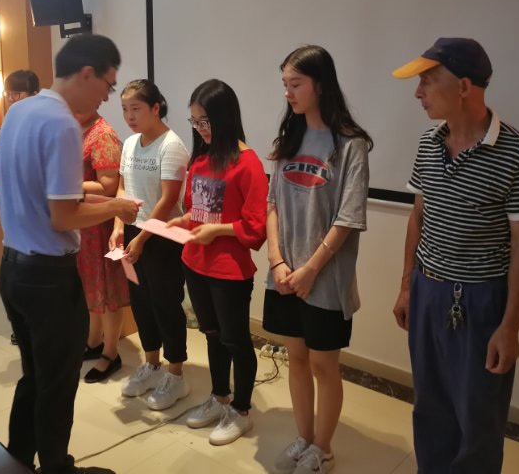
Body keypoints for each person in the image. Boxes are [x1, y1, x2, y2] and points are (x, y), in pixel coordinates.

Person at [391, 38, 519, 474]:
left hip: (480, 302)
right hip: (427, 289)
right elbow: (419, 217)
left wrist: (510, 326)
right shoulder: (428, 143)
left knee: (477, 416)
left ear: (463, 86)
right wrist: (407, 287)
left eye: (427, 81)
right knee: (430, 407)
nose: (418, 92)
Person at [0, 34, 139, 474]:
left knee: (35, 376)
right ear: (87, 74)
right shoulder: (61, 124)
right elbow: (63, 215)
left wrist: (101, 201)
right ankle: (57, 468)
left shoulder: (19, 111)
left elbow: (50, 195)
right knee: (57, 385)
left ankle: (19, 460)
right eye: (108, 85)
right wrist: (116, 207)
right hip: (48, 279)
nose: (107, 97)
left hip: (13, 268)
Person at [263, 46, 372, 474]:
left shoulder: (350, 145)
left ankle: (323, 449)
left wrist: (310, 270)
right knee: (296, 358)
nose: (287, 93)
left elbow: (348, 217)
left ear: (321, 85)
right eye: (284, 85)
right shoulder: (288, 140)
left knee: (324, 365)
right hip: (285, 274)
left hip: (324, 278)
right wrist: (277, 261)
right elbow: (272, 204)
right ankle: (304, 437)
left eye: (296, 84)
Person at [168, 79, 268, 446]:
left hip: (229, 270)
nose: (199, 129)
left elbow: (256, 228)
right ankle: (219, 395)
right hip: (195, 262)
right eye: (194, 122)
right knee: (211, 335)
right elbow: (198, 212)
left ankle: (241, 410)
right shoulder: (201, 158)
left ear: (225, 117)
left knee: (235, 340)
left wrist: (218, 231)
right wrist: (182, 221)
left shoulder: (247, 163)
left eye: (205, 121)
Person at [110, 79, 191, 410]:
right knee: (141, 302)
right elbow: (123, 189)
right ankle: (152, 365)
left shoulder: (172, 146)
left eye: (136, 109)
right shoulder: (130, 143)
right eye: (124, 109)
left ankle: (176, 375)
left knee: (166, 303)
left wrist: (143, 237)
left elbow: (168, 199)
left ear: (155, 108)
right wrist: (119, 226)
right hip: (134, 233)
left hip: (162, 236)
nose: (129, 116)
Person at [75, 110, 128, 383]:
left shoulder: (102, 134)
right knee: (90, 286)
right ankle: (93, 341)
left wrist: (69, 185)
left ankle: (111, 352)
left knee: (106, 289)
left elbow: (109, 186)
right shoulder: (78, 130)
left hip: (101, 224)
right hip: (83, 223)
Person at [1, 68, 41, 346]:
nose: (13, 100)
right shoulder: (10, 122)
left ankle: (33, 329)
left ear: (34, 94)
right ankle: (23, 327)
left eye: (18, 94)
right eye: (9, 94)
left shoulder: (41, 124)